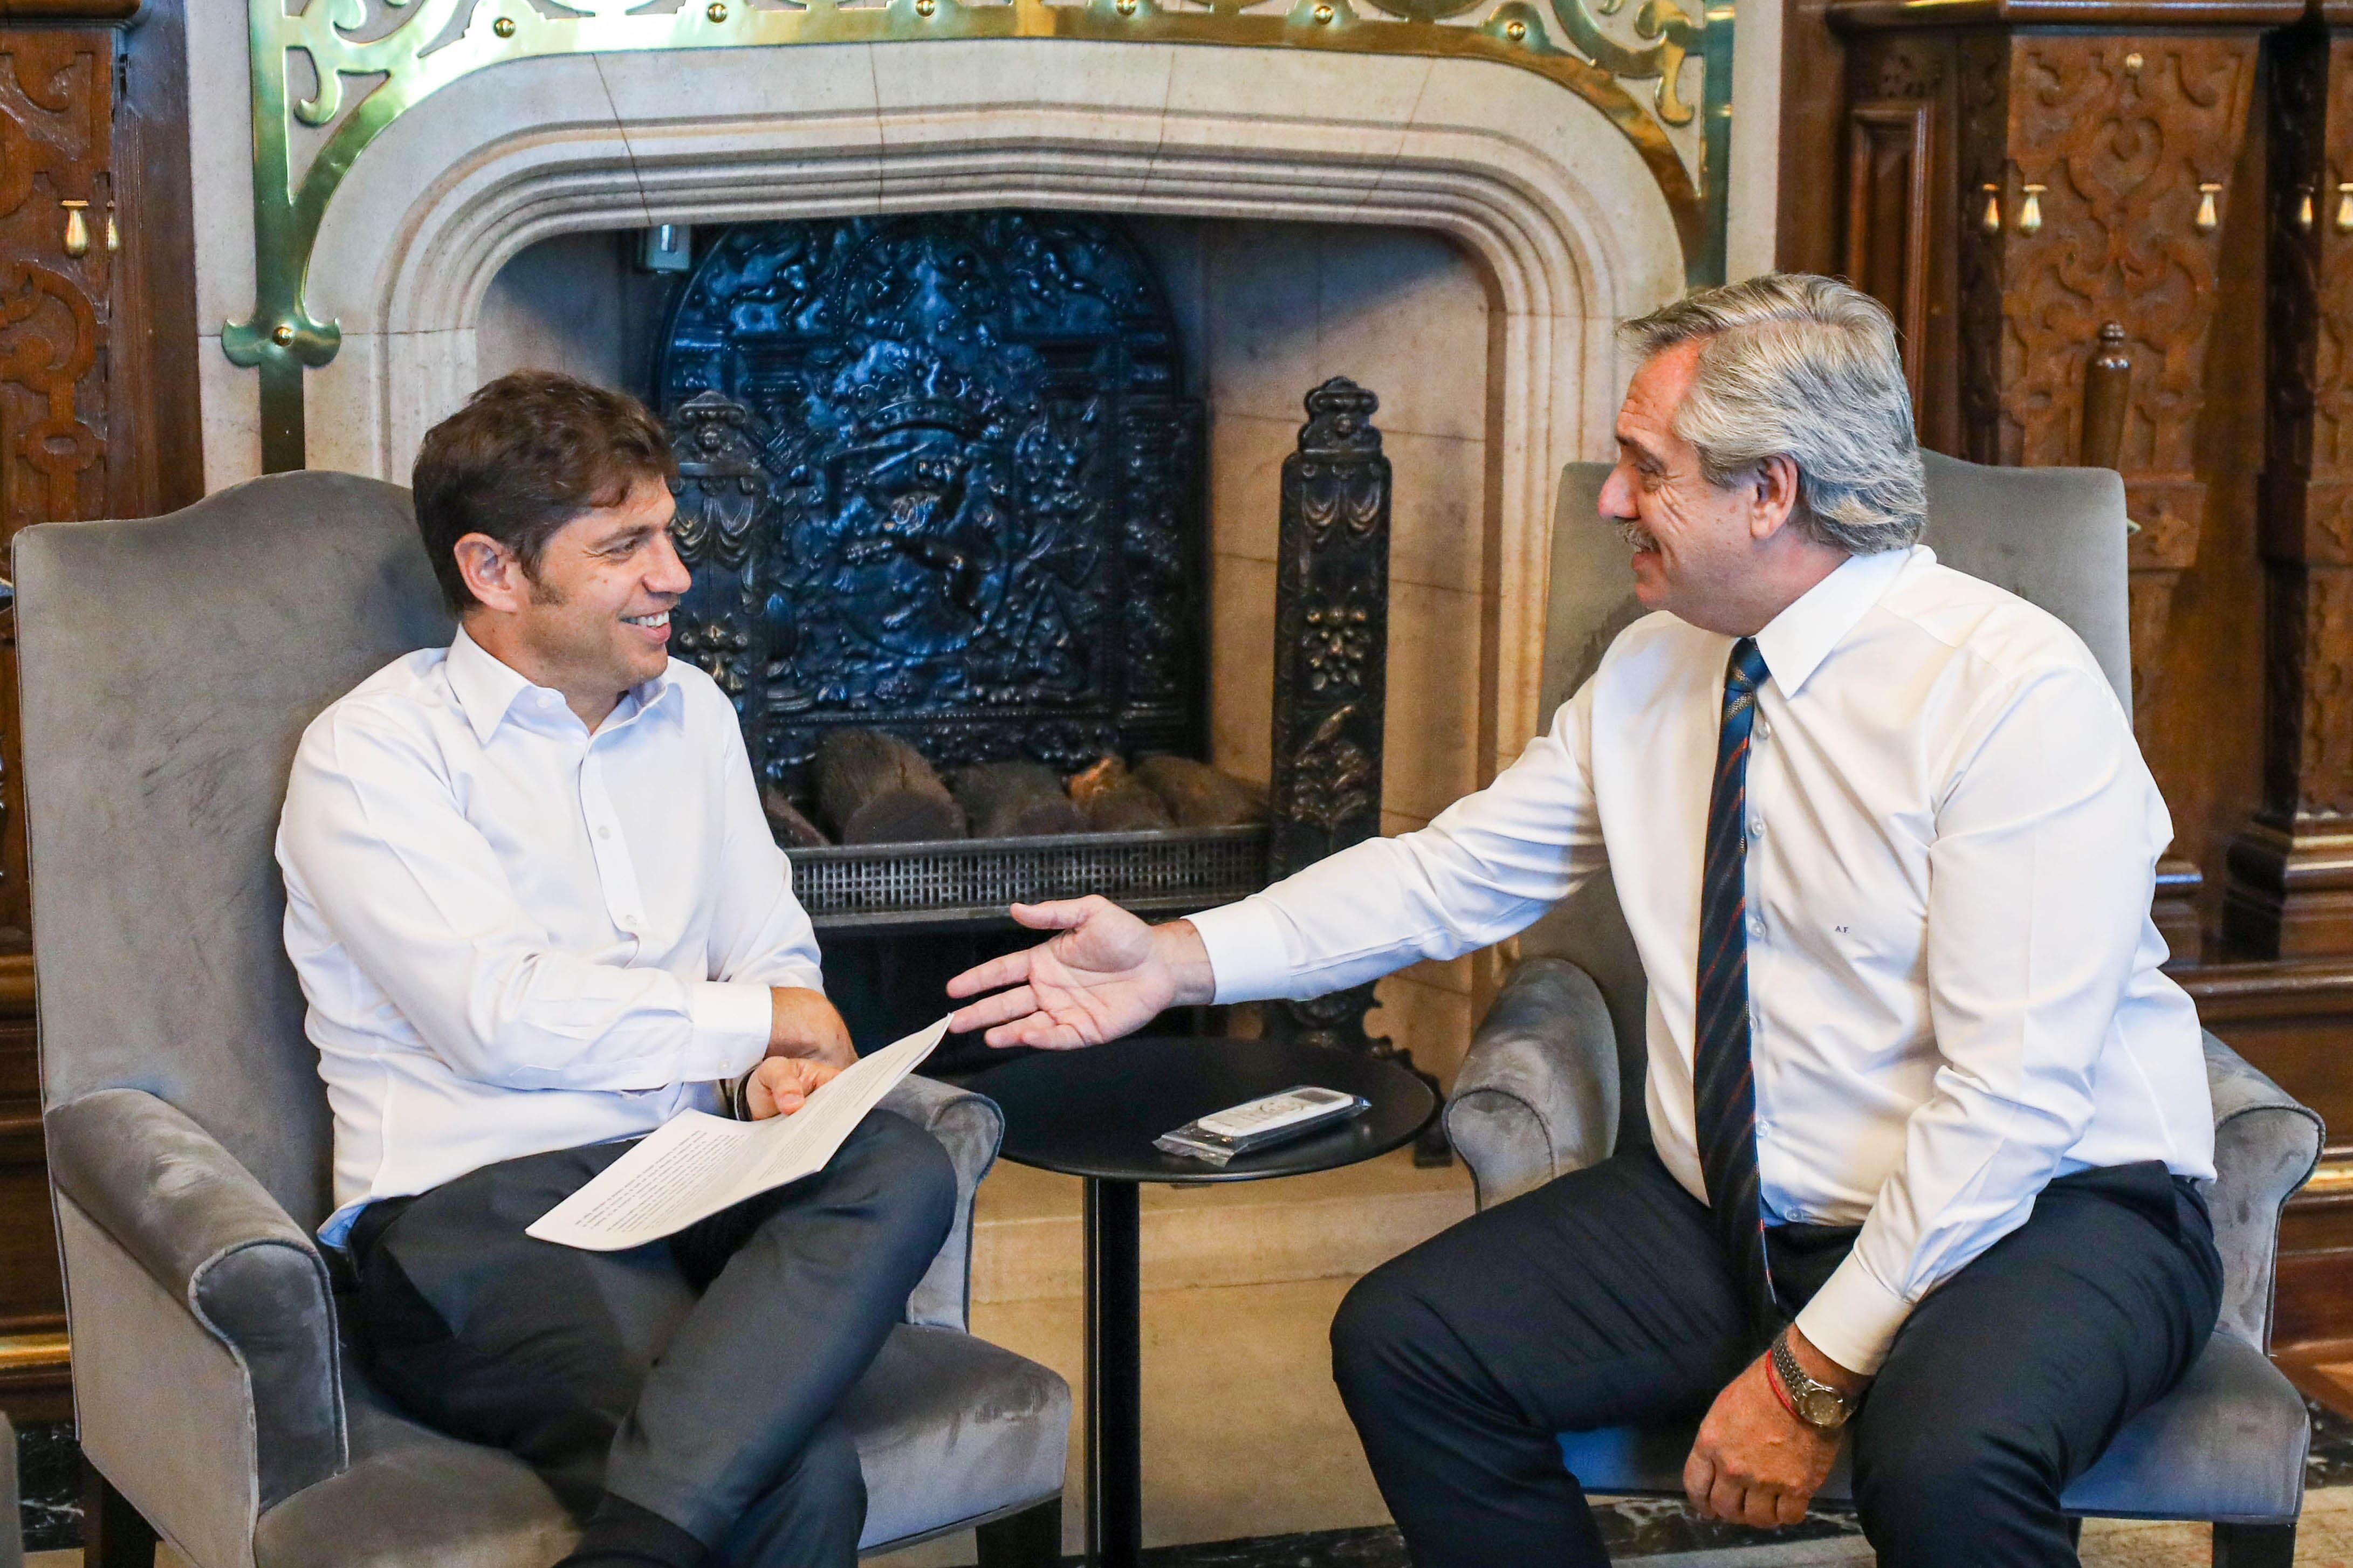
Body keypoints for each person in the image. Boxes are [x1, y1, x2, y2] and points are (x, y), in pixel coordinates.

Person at [945, 274, 2219, 1568]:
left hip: (2048, 1211)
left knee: (1948, 1462)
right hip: (1735, 1209)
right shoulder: (1658, 661)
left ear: (1769, 490)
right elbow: (1451, 876)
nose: (1610, 500)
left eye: (1643, 466)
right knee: (1414, 1344)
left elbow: (2012, 1099)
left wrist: (1808, 1377)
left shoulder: (2007, 693)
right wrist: (1174, 958)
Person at [276, 371, 956, 1568]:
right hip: (475, 1214)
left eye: (669, 535)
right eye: (625, 545)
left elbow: (767, 941)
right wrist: (757, 1022)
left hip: (684, 1173)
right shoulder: (375, 754)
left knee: (894, 1156)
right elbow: (499, 1017)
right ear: (494, 572)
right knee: (787, 1476)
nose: (676, 576)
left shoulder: (692, 710)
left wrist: (771, 1075)